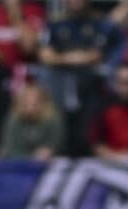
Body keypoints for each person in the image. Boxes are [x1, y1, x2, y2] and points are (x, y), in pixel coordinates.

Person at [38, 0, 109, 156]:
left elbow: (95, 55)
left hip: (88, 87)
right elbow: (46, 56)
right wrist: (77, 57)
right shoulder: (56, 24)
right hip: (60, 86)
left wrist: (61, 58)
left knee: (87, 133)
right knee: (61, 132)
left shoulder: (97, 24)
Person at [0, 81, 64, 159]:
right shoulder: (13, 119)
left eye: (35, 103)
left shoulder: (53, 118)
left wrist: (50, 150)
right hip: (19, 163)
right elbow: (8, 148)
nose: (30, 108)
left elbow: (57, 144)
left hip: (49, 163)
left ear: (43, 102)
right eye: (26, 103)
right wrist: (31, 157)